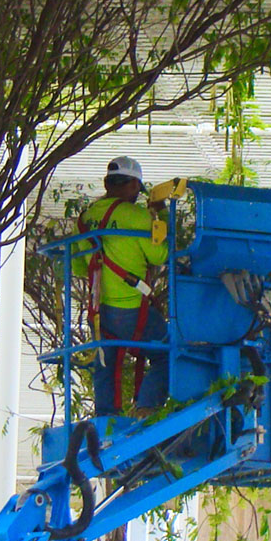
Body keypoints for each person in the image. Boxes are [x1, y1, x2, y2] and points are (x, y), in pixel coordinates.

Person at [73, 156, 169, 416]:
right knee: (169, 351)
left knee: (106, 360)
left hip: (99, 309)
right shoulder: (136, 216)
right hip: (131, 307)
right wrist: (157, 215)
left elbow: (79, 267)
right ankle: (147, 407)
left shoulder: (86, 217)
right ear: (134, 185)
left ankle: (106, 417)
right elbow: (160, 256)